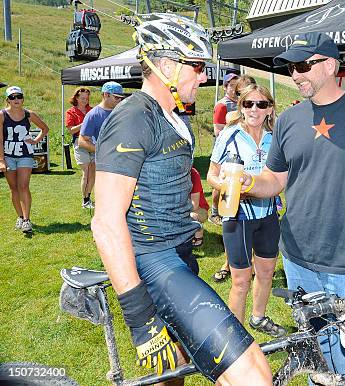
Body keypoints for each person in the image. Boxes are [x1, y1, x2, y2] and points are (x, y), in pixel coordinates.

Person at [90, 13, 271, 385]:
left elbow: (162, 183)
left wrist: (187, 219)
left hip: (179, 252)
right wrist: (141, 320)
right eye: (198, 66)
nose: (204, 77)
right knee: (253, 375)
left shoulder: (174, 117)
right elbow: (106, 222)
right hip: (155, 262)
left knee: (174, 372)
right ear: (167, 65)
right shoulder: (133, 117)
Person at [236, 32, 345, 384]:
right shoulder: (288, 119)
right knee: (320, 353)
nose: (296, 75)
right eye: (292, 68)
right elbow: (276, 178)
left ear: (330, 65)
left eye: (303, 66)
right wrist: (249, 183)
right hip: (299, 258)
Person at [207, 84, 285, 338]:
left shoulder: (275, 138)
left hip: (268, 214)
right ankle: (236, 336)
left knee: (266, 272)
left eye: (261, 104)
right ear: (241, 107)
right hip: (238, 215)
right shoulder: (228, 135)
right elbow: (211, 175)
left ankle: (258, 318)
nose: (254, 109)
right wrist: (228, 186)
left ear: (270, 109)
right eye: (249, 103)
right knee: (241, 281)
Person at [212, 74, 257, 283]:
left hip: (258, 184)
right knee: (232, 225)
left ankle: (254, 262)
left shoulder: (265, 122)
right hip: (233, 182)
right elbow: (213, 171)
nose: (246, 100)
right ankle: (228, 263)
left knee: (259, 225)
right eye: (241, 95)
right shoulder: (231, 121)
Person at [0, 86, 50, 233]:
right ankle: (20, 217)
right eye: (12, 97)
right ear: (7, 100)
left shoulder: (29, 114)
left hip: (25, 154)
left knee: (23, 186)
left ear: (23, 98)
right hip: (8, 155)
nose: (16, 99)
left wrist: (35, 141)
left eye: (19, 96)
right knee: (13, 188)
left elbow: (45, 128)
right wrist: (1, 159)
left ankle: (27, 220)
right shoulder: (2, 115)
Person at [78, 81, 125, 209]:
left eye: (121, 98)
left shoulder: (122, 112)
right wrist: (103, 150)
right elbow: (82, 141)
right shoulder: (93, 115)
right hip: (105, 161)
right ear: (105, 95)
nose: (120, 100)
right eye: (116, 97)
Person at [209, 72, 240, 226]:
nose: (235, 89)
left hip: (239, 149)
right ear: (225, 87)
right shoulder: (222, 105)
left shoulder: (243, 102)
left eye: (237, 86)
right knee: (221, 182)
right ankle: (214, 212)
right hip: (224, 151)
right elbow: (218, 131)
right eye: (232, 86)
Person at [65, 87, 93, 208]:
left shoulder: (92, 110)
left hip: (93, 142)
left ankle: (88, 197)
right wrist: (84, 123)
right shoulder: (71, 112)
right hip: (79, 142)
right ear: (76, 97)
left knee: (93, 172)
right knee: (86, 172)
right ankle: (85, 200)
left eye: (87, 98)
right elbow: (71, 131)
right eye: (83, 98)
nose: (85, 100)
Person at [190, 166, 209, 248]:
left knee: (191, 216)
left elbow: (194, 205)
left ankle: (198, 233)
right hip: (181, 207)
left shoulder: (193, 174)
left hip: (198, 209)